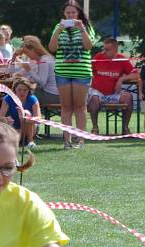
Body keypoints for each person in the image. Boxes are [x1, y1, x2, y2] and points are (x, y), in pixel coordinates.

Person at [49, 0, 95, 149]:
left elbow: (88, 47)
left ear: (78, 13)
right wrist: (58, 30)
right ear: (64, 14)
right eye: (68, 13)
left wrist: (82, 29)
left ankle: (80, 140)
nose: (70, 15)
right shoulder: (58, 27)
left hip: (81, 72)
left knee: (80, 106)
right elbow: (52, 48)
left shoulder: (86, 27)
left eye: (73, 13)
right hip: (63, 71)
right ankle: (67, 141)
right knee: (66, 106)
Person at [87, 38, 138, 135]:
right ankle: (95, 128)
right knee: (94, 97)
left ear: (115, 49)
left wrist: (121, 79)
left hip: (113, 94)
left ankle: (125, 128)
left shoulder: (121, 59)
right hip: (98, 93)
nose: (104, 52)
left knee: (128, 97)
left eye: (107, 50)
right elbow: (87, 71)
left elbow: (136, 75)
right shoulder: (98, 57)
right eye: (104, 49)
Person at [17, 36, 60, 107]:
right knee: (24, 93)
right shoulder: (47, 58)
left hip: (52, 96)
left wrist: (29, 69)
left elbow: (42, 82)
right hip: (56, 94)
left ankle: (23, 116)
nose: (27, 55)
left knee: (22, 94)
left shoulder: (44, 60)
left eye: (27, 52)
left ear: (34, 49)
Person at [0, 78, 41, 149]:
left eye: (25, 90)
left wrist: (27, 119)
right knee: (15, 138)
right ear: (14, 90)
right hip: (14, 126)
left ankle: (30, 141)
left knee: (27, 115)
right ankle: (19, 140)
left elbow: (38, 118)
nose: (22, 92)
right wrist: (6, 119)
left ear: (29, 90)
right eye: (19, 90)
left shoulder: (33, 99)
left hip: (30, 127)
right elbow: (0, 117)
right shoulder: (8, 99)